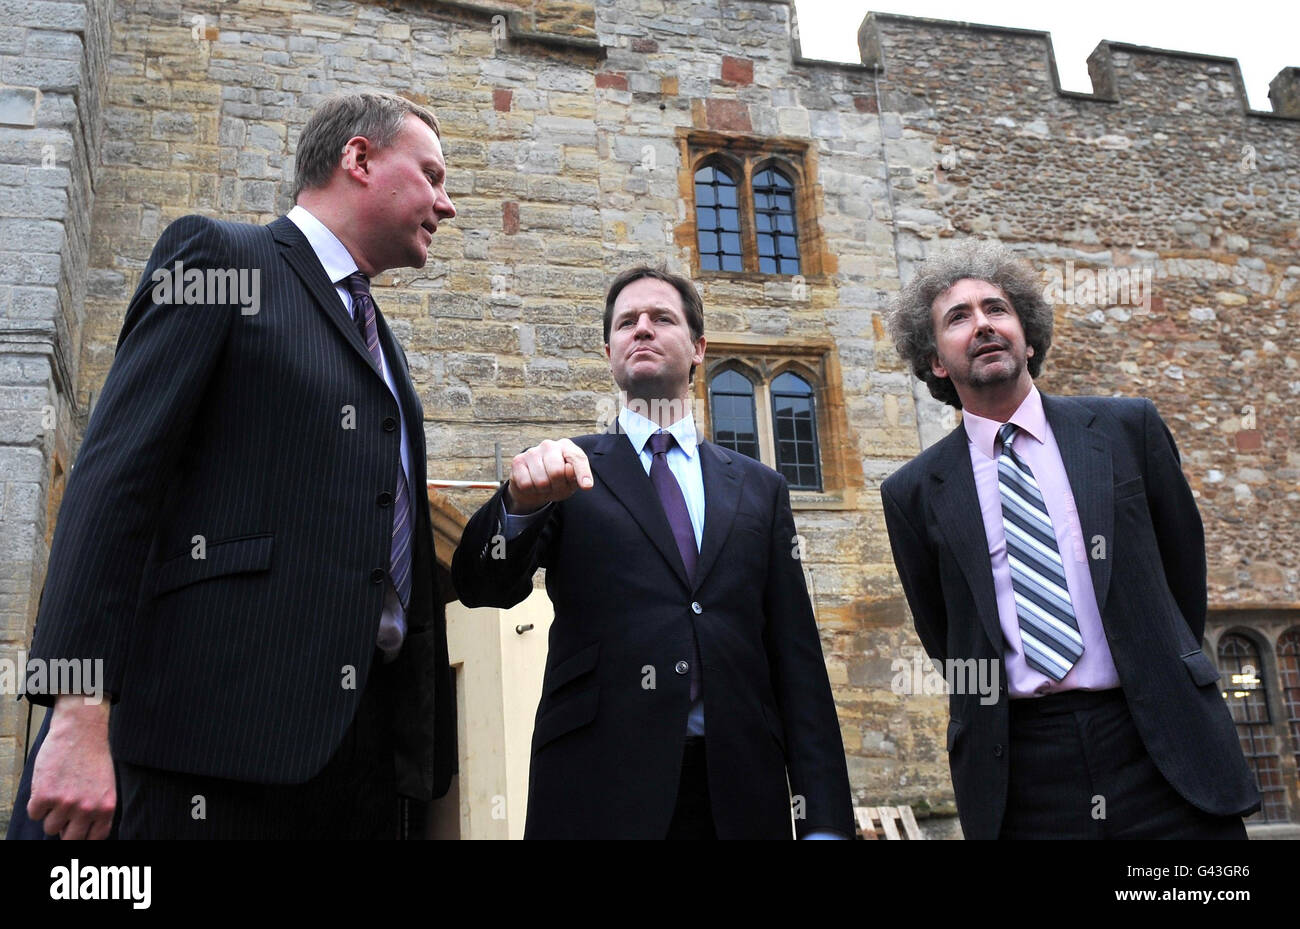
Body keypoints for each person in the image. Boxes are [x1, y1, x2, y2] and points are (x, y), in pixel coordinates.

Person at [23, 91, 458, 839]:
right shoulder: (222, 260)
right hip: (207, 750)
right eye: (433, 176)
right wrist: (76, 710)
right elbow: (116, 477)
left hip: (361, 766)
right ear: (358, 159)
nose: (446, 206)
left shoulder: (386, 347)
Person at [452, 266, 855, 839]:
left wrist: (824, 824)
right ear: (611, 352)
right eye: (626, 323)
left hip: (740, 791)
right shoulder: (565, 470)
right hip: (598, 787)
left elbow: (797, 660)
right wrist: (517, 505)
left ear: (698, 348)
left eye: (661, 318)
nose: (642, 329)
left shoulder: (759, 488)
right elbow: (482, 585)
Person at [879, 241, 1260, 839]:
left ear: (1028, 338)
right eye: (958, 318)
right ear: (935, 363)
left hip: (1158, 744)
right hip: (1023, 769)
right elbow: (945, 634)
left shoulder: (1126, 428)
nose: (982, 324)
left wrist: (1158, 664)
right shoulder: (913, 491)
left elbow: (1183, 574)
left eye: (996, 309)